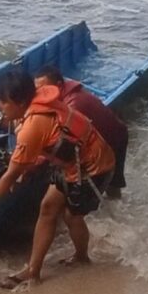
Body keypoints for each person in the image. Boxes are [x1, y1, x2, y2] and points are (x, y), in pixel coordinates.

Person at [0, 69, 115, 288]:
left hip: (94, 167)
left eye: (2, 102)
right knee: (48, 207)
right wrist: (25, 169)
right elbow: (46, 143)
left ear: (21, 102)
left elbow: (10, 175)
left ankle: (82, 258)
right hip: (72, 162)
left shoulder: (32, 127)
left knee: (71, 216)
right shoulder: (35, 104)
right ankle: (33, 272)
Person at [34, 65, 129, 199]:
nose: (41, 95)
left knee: (110, 181)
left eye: (45, 90)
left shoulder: (73, 105)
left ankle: (111, 203)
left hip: (114, 138)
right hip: (107, 134)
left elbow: (64, 141)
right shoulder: (66, 96)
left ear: (59, 85)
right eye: (38, 91)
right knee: (107, 181)